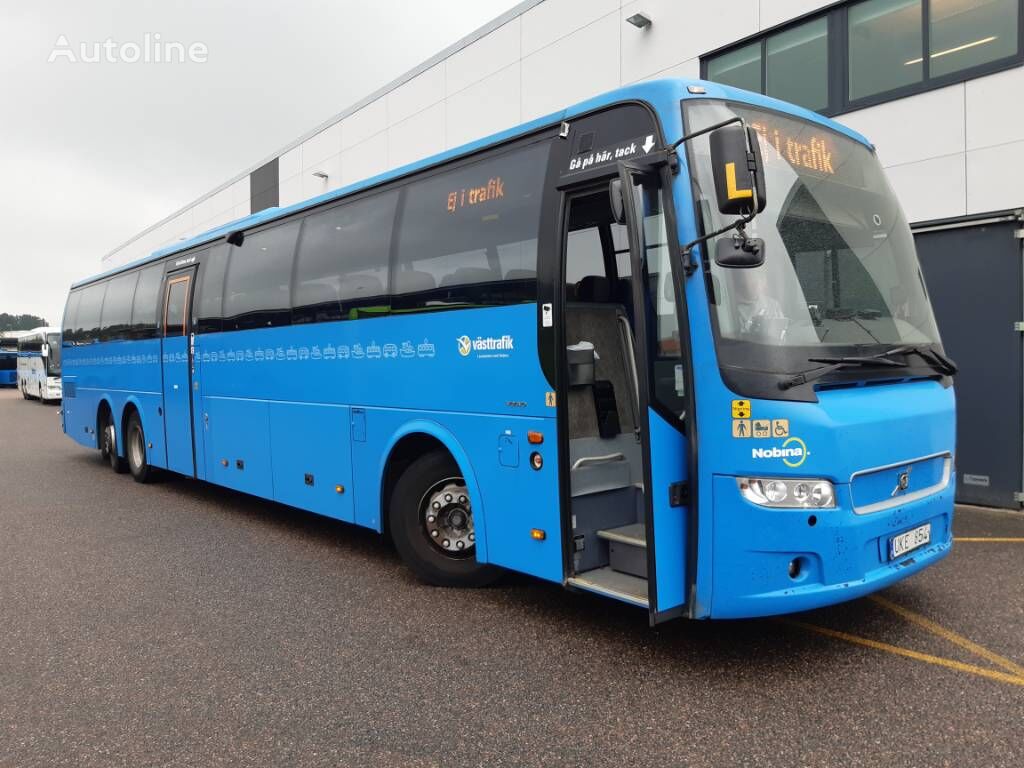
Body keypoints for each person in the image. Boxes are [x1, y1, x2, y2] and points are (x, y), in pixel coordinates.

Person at [732, 268, 788, 338]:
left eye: (760, 278)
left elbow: (783, 332)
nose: (758, 283)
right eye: (752, 278)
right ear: (742, 281)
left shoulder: (773, 304)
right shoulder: (731, 306)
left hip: (771, 346)